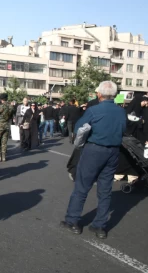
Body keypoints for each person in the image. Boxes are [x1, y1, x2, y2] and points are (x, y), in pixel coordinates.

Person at [60, 81, 126, 239]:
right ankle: (100, 227)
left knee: (82, 187)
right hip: (114, 151)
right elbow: (123, 129)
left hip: (94, 149)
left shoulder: (94, 110)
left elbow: (79, 129)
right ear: (115, 95)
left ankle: (73, 221)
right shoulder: (121, 111)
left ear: (99, 94)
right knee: (105, 190)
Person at [0, 94, 15, 162]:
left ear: (1, 99)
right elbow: (12, 116)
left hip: (0, 125)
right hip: (7, 125)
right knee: (4, 142)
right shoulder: (11, 107)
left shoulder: (0, 106)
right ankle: (4, 157)